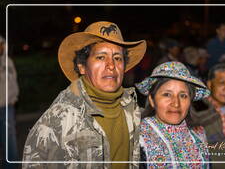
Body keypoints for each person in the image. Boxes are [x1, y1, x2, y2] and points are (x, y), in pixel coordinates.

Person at [22, 21, 147, 169]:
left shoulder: (134, 111)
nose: (111, 65)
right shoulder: (56, 121)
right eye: (101, 57)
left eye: (118, 58)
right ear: (82, 67)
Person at [135, 61, 210, 168]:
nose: (176, 103)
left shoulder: (199, 134)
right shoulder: (138, 138)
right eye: (167, 94)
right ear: (152, 100)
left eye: (183, 96)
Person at [0, 36, 19, 169]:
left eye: (1, 45)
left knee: (9, 140)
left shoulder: (8, 62)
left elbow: (13, 81)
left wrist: (14, 98)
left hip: (7, 107)